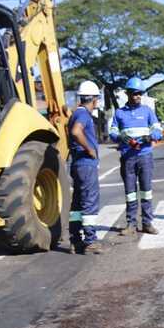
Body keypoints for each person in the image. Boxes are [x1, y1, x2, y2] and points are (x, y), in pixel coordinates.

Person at [109, 77, 163, 235]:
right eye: (134, 93)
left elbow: (158, 131)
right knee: (130, 192)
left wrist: (150, 137)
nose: (137, 96)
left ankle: (147, 223)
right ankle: (131, 224)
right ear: (127, 94)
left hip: (145, 156)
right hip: (128, 158)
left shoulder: (147, 111)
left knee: (146, 191)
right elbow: (112, 132)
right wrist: (121, 138)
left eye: (140, 93)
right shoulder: (119, 113)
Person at [68, 80, 104, 254]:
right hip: (86, 164)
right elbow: (76, 131)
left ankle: (75, 240)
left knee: (77, 203)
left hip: (76, 164)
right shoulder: (83, 115)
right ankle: (90, 241)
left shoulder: (75, 113)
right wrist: (90, 149)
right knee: (89, 202)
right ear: (95, 100)